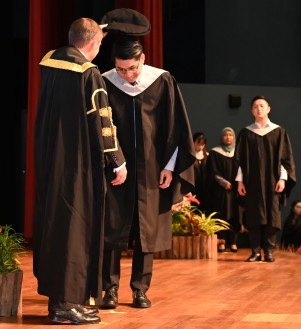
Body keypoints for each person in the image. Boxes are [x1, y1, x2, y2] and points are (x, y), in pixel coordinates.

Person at [32, 18, 127, 325]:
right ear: (91, 44)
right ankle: (65, 306)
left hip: (50, 158)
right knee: (74, 229)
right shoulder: (89, 73)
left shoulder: (50, 62)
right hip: (77, 165)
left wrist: (94, 29)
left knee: (56, 226)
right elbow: (102, 120)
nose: (99, 47)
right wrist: (118, 160)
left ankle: (63, 300)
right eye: (99, 42)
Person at [100, 36, 195, 309]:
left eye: (132, 68)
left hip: (153, 168)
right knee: (112, 228)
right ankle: (110, 289)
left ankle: (140, 289)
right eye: (121, 69)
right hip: (116, 167)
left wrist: (168, 166)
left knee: (146, 231)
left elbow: (176, 127)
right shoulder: (106, 81)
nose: (127, 75)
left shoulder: (162, 80)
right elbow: (101, 125)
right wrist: (114, 161)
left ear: (143, 59)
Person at [234, 95, 296, 262]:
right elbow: (239, 160)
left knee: (271, 215)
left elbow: (285, 159)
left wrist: (283, 179)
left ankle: (268, 251)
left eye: (262, 106)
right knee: (253, 216)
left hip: (272, 182)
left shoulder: (278, 132)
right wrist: (240, 181)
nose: (258, 109)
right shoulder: (246, 133)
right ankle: (255, 251)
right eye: (255, 106)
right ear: (251, 111)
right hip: (251, 182)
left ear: (269, 109)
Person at [206, 127, 240, 252]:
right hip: (220, 191)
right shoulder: (215, 152)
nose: (228, 137)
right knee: (221, 215)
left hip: (235, 191)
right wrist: (223, 182)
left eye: (231, 135)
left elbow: (242, 170)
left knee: (234, 216)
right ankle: (222, 242)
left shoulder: (238, 152)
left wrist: (237, 183)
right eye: (226, 135)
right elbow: (212, 171)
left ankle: (233, 242)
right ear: (222, 137)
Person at [192, 132, 209, 210]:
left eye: (202, 144)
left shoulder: (207, 156)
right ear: (193, 142)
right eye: (198, 144)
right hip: (193, 188)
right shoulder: (190, 156)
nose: (200, 147)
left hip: (205, 188)